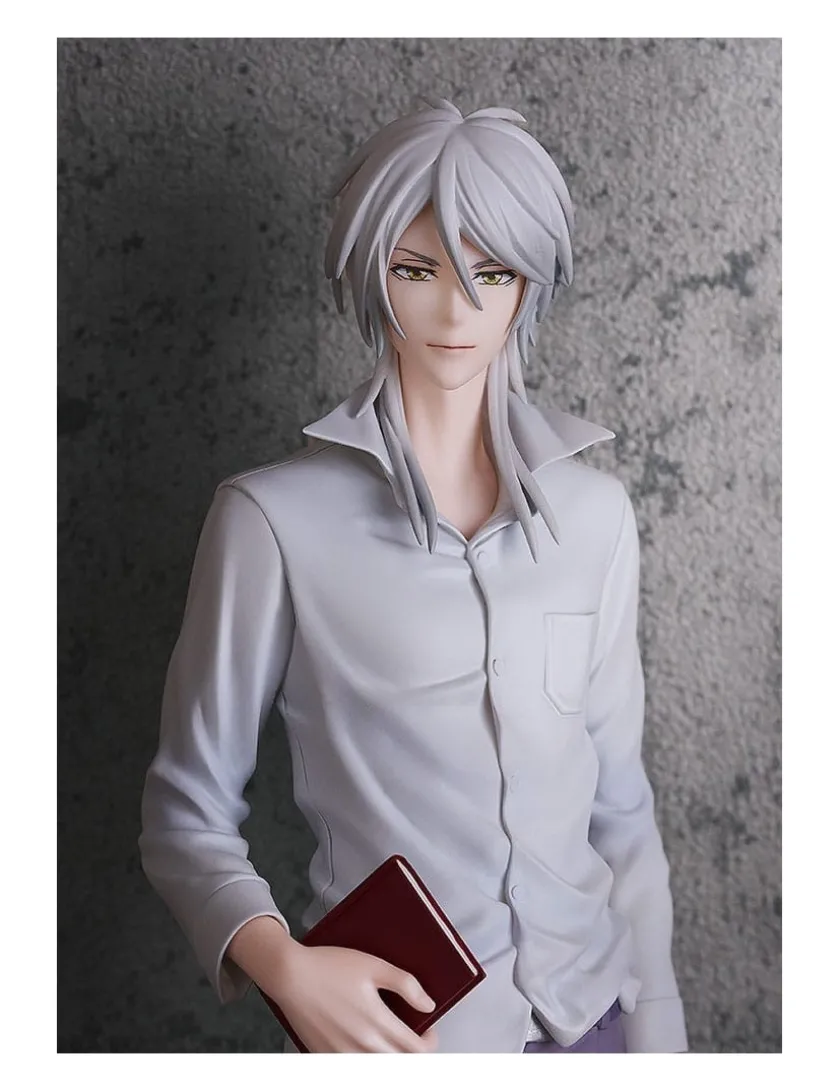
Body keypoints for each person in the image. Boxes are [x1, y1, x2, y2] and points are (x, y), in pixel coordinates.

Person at [138, 97, 688, 1054]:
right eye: (416, 269)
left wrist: (663, 1032)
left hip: (599, 1023)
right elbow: (185, 810)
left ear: (529, 284)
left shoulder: (597, 517)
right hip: (404, 1037)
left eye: (492, 272)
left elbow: (621, 808)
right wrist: (284, 965)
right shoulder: (273, 520)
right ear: (369, 271)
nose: (456, 309)